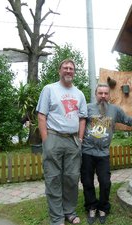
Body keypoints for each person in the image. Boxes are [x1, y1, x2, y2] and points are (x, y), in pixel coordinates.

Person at [80, 83, 132, 224]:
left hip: (103, 154)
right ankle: (91, 207)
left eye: (105, 93)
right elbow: (79, 123)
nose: (103, 96)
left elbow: (129, 120)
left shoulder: (114, 110)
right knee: (87, 181)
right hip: (87, 152)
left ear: (109, 95)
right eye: (100, 93)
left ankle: (103, 208)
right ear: (96, 94)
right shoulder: (88, 108)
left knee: (105, 182)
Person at [36, 58, 87, 225]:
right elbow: (41, 116)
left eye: (71, 68)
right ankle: (57, 218)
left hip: (73, 141)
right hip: (54, 138)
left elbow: (82, 118)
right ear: (59, 71)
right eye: (65, 68)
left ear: (74, 72)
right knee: (53, 179)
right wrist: (46, 142)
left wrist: (79, 139)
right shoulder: (49, 89)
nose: (68, 70)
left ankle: (69, 212)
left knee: (72, 178)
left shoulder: (79, 94)